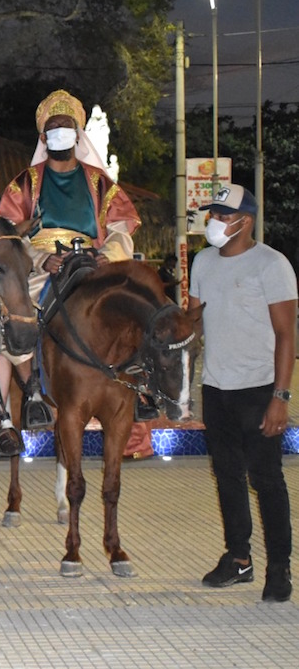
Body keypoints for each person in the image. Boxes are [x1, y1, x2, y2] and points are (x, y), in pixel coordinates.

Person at [0, 89, 141, 435]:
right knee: (11, 319)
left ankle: (140, 387)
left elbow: (122, 226)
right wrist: (42, 259)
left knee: (136, 310)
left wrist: (110, 254)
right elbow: (7, 234)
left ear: (78, 133)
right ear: (44, 137)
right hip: (40, 269)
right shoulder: (24, 183)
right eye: (54, 126)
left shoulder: (99, 181)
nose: (61, 131)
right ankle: (30, 392)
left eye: (67, 125)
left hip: (93, 262)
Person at [189, 181, 295, 603]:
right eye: (211, 214)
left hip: (259, 390)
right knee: (227, 477)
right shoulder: (202, 262)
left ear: (245, 221)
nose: (212, 221)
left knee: (267, 479)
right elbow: (193, 325)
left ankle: (279, 567)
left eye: (222, 215)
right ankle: (238, 559)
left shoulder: (271, 265)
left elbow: (287, 336)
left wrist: (280, 398)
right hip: (217, 388)